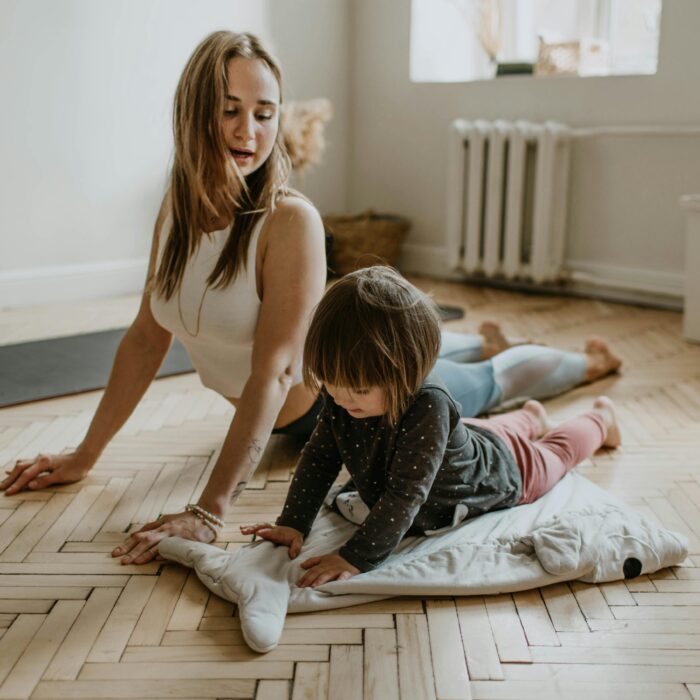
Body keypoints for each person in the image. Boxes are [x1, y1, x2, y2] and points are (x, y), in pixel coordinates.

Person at [0, 31, 619, 565]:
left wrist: (209, 510)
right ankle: (486, 356)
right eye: (230, 110)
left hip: (357, 400)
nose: (250, 130)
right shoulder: (176, 210)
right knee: (463, 367)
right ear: (192, 113)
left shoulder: (287, 220)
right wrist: (85, 454)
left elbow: (273, 372)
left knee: (486, 382)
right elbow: (144, 338)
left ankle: (585, 366)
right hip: (336, 387)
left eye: (265, 112)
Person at [241, 267, 621, 586]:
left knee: (556, 452)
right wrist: (293, 522)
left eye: (357, 389)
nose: (340, 399)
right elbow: (320, 457)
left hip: (502, 470)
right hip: (469, 437)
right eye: (331, 384)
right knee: (491, 431)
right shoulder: (344, 395)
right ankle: (532, 416)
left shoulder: (429, 405)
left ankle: (601, 418)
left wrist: (354, 557)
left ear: (407, 372)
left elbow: (406, 495)